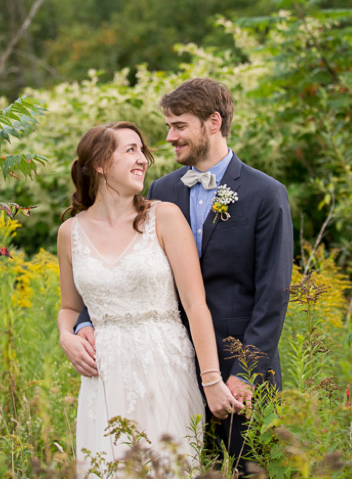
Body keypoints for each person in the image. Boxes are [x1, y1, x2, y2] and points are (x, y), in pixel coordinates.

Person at [64, 78, 293, 475]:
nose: (168, 137)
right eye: (167, 125)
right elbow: (117, 265)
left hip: (239, 367)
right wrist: (83, 323)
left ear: (213, 122)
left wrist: (244, 373)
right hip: (168, 364)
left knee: (246, 471)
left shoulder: (264, 193)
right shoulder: (161, 190)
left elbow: (273, 294)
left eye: (179, 125)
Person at [56, 121, 241, 478]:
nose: (142, 158)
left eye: (142, 151)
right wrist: (67, 335)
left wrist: (211, 379)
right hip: (104, 376)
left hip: (165, 368)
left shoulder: (165, 217)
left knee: (168, 471)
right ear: (99, 162)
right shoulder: (70, 233)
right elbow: (70, 307)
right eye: (130, 150)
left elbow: (195, 305)